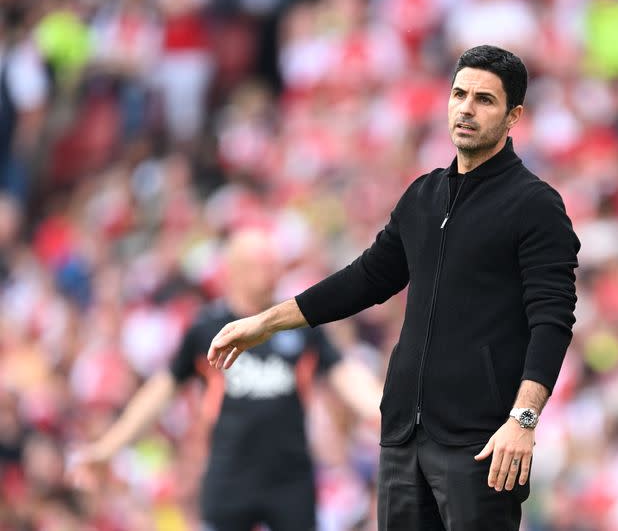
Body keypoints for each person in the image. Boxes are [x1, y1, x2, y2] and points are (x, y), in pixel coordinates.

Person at [206, 45, 580, 531]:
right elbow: (366, 279)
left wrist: (523, 421)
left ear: (514, 116)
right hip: (404, 435)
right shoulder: (424, 195)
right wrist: (264, 323)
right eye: (459, 94)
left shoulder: (535, 205)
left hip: (482, 441)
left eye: (485, 100)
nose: (466, 108)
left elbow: (552, 320)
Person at [68, 228, 383, 531]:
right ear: (233, 270)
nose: (272, 272)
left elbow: (345, 375)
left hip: (291, 478)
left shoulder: (299, 324)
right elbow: (160, 391)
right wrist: (108, 448)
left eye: (275, 263)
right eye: (261, 264)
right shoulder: (208, 328)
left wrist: (385, 413)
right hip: (229, 477)